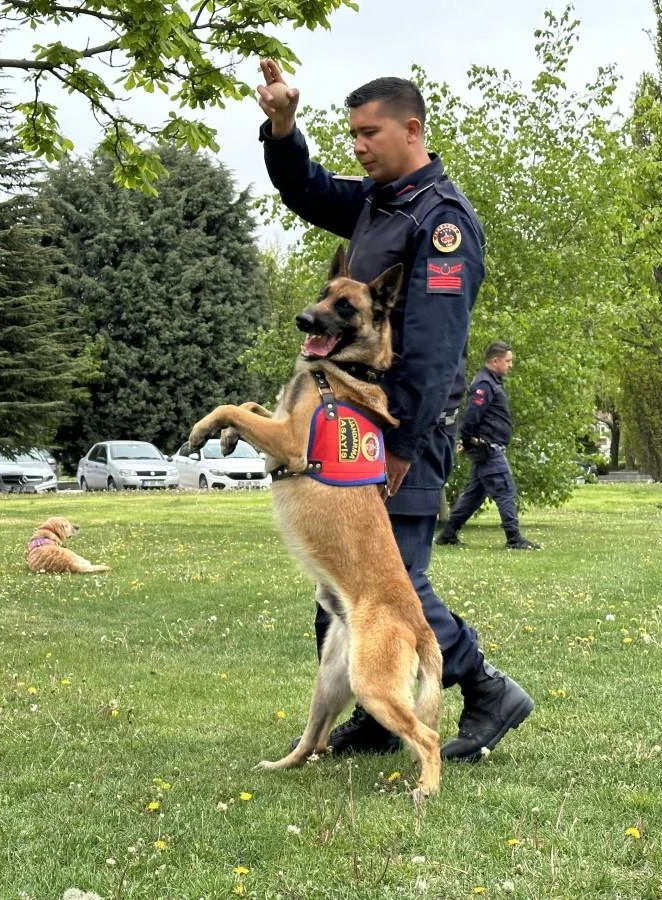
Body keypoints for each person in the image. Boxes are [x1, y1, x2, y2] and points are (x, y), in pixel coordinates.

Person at [258, 61, 532, 762]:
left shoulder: (440, 222)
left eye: (368, 132)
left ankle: (489, 688)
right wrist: (284, 127)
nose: (357, 146)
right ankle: (375, 715)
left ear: (411, 130)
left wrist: (403, 443)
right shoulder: (377, 203)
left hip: (403, 429)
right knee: (344, 584)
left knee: (395, 583)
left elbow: (437, 349)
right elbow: (305, 187)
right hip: (357, 429)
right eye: (350, 134)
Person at [437, 341, 540, 550]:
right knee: (506, 490)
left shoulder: (492, 382)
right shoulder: (484, 384)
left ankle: (447, 535)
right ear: (495, 361)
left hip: (486, 448)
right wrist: (467, 440)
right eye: (508, 361)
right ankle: (514, 538)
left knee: (473, 496)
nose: (510, 365)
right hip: (488, 448)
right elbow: (472, 415)